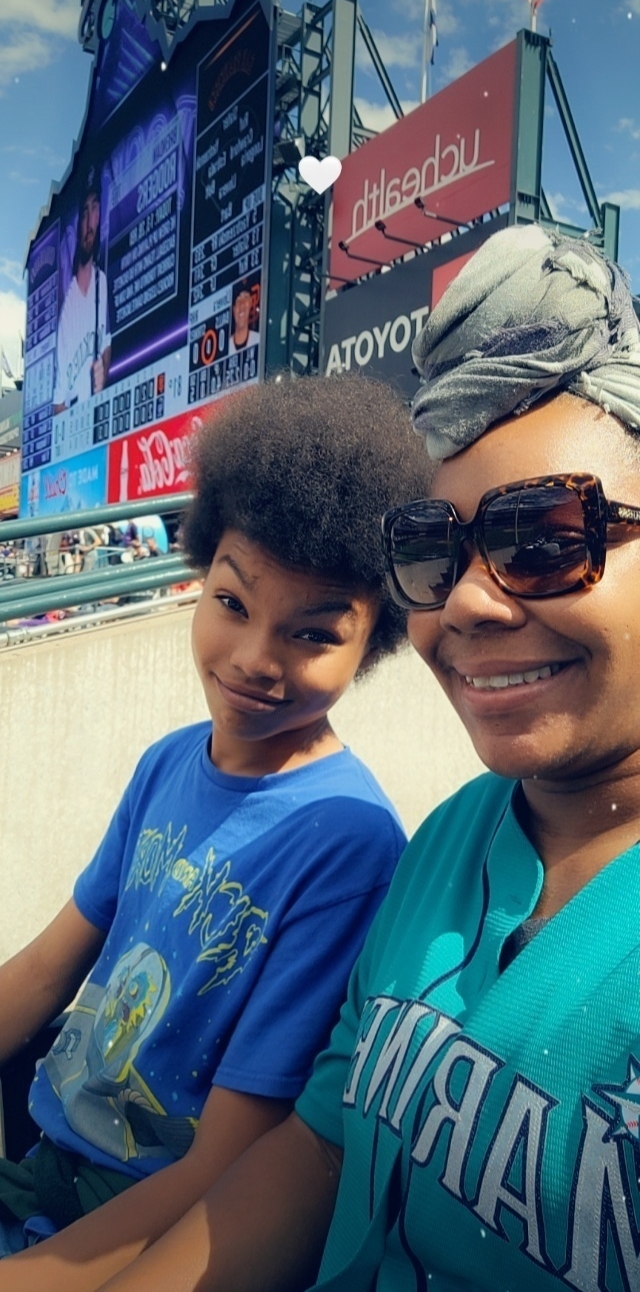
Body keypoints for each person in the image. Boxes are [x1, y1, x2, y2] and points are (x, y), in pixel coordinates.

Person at [92, 224, 640, 1292]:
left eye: (543, 536)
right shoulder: (448, 841)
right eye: (431, 550)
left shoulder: (355, 838)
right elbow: (322, 1144)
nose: (470, 601)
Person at [0, 372, 432, 1290]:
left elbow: (225, 1167)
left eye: (312, 634)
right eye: (233, 603)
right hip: (39, 1156)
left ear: (377, 640)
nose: (253, 659)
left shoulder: (348, 845)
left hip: (141, 1224)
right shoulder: (167, 763)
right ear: (200, 577)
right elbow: (44, 969)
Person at [53, 166, 111, 414]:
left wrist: (104, 371)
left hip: (99, 420)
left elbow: (107, 343)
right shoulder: (65, 308)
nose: (89, 224)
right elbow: (58, 403)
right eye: (84, 212)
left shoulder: (103, 282)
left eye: (95, 208)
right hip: (75, 423)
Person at [228, 281, 259, 355]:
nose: (242, 305)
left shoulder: (258, 339)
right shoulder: (226, 347)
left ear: (250, 304)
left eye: (246, 298)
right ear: (234, 309)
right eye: (238, 300)